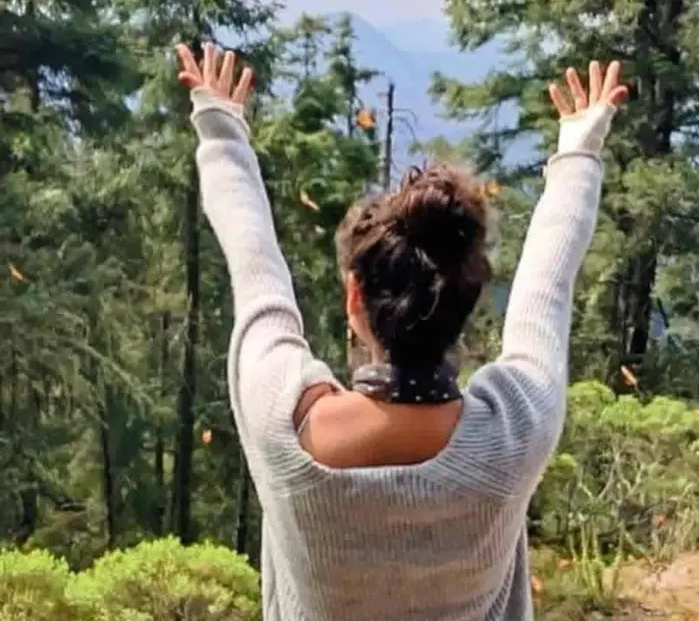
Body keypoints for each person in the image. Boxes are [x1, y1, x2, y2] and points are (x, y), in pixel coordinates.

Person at [176, 41, 628, 621]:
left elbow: (254, 264)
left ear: (354, 297)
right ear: (467, 302)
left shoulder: (282, 425)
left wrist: (221, 130)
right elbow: (548, 288)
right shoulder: (513, 435)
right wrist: (579, 152)